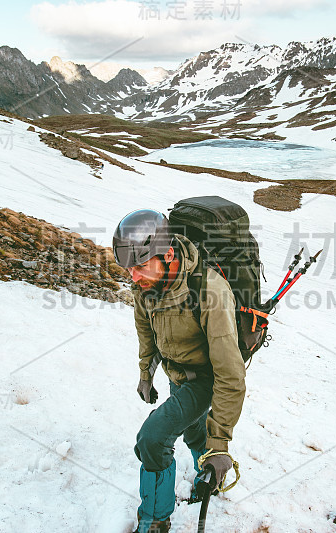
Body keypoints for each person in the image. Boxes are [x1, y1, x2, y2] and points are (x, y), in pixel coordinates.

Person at [113, 209, 246, 533]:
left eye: (141, 266)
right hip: (176, 371)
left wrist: (221, 445)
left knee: (153, 439)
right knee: (191, 428)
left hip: (204, 378)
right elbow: (147, 333)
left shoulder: (209, 292)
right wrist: (146, 374)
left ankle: (155, 520)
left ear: (168, 254)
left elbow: (231, 375)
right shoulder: (145, 285)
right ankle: (207, 473)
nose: (134, 277)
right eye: (129, 268)